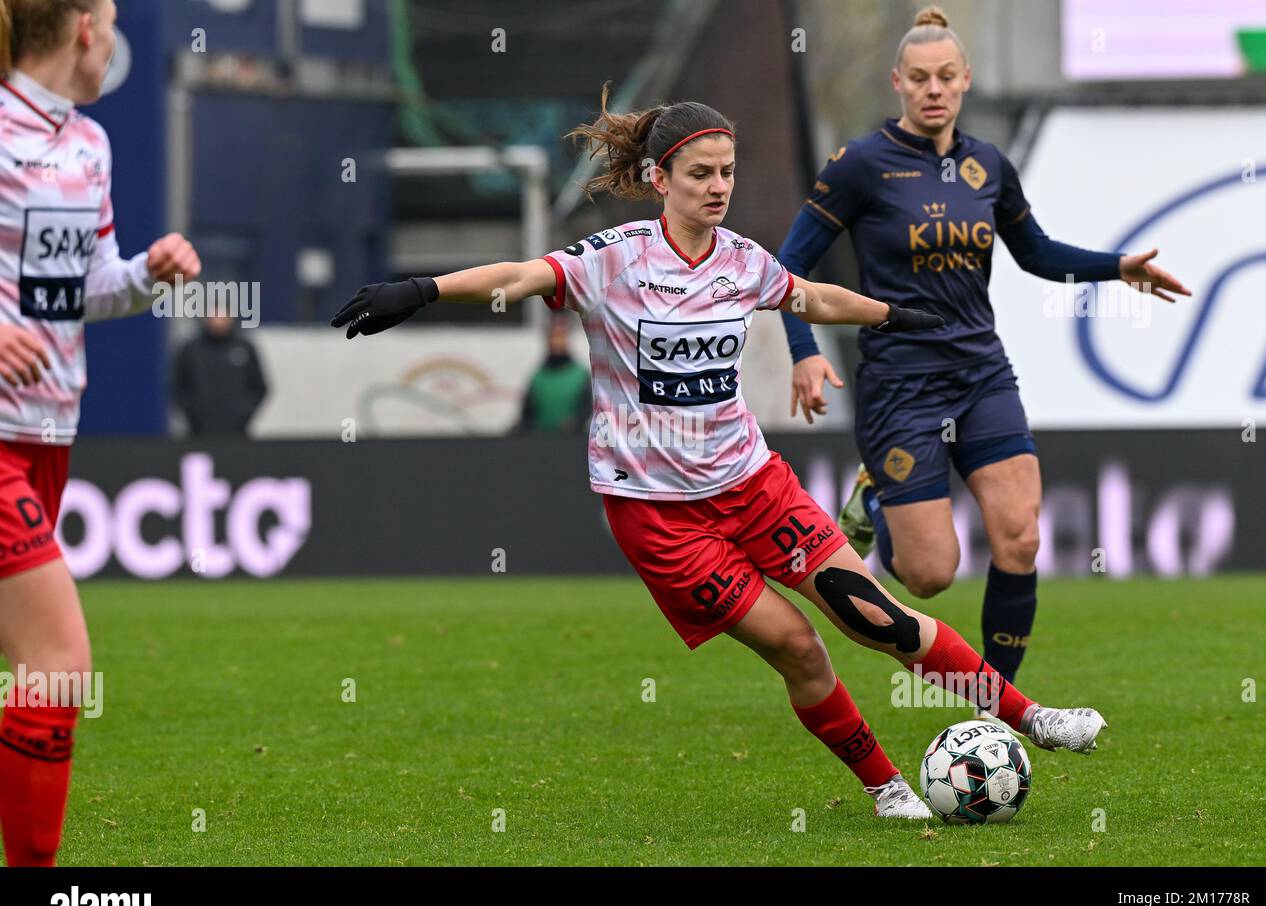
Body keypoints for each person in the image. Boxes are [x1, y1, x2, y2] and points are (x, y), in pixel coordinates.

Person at [331, 87, 1107, 819]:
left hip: (753, 484)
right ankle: (885, 787)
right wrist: (424, 290)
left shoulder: (741, 260)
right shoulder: (614, 258)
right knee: (799, 649)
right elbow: (519, 275)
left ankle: (1032, 718)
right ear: (657, 177)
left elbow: (808, 296)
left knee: (874, 616)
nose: (718, 186)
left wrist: (892, 315)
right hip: (659, 517)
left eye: (727, 172)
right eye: (700, 173)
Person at [777, 6, 1189, 695]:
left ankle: (999, 704)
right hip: (900, 385)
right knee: (930, 576)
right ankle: (872, 498)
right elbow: (789, 266)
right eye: (919, 78)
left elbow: (1036, 254)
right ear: (897, 83)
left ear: (964, 80)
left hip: (981, 374)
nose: (933, 88)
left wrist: (1117, 267)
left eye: (945, 76)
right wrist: (804, 350)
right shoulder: (860, 165)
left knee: (1021, 538)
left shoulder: (987, 166)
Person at [0, 0, 201, 866]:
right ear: (85, 27)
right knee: (57, 660)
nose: (114, 37)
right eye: (111, 20)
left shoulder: (88, 144)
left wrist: (147, 277)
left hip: (49, 430)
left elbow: (84, 289)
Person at [172, 311, 269, 437]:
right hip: (199, 433)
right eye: (214, 316)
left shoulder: (244, 348)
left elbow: (259, 388)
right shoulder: (191, 350)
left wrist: (242, 414)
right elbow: (178, 388)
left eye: (223, 316)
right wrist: (195, 413)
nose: (218, 321)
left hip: (237, 432)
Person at [515, 315, 589, 434]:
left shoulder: (581, 375)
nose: (557, 341)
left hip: (574, 443)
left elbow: (588, 409)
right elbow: (527, 415)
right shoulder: (537, 377)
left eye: (561, 335)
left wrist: (575, 423)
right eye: (554, 336)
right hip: (541, 444)